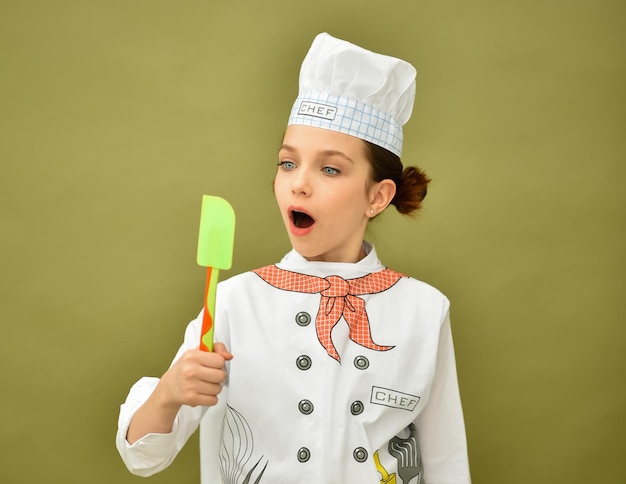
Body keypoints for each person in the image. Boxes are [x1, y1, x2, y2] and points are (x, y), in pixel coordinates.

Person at [116, 32, 471, 484]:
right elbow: (142, 456)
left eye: (329, 168)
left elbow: (446, 465)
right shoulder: (231, 304)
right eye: (288, 163)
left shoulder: (424, 310)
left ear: (378, 197)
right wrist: (168, 393)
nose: (298, 184)